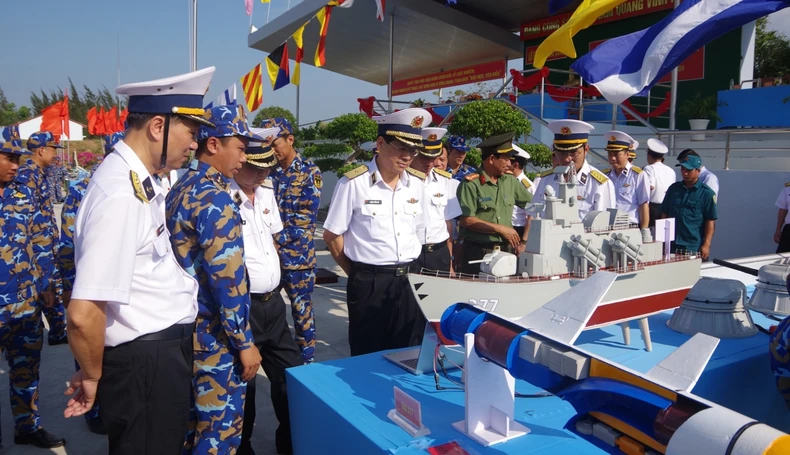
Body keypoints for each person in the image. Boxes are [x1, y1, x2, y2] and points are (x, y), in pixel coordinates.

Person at [64, 67, 215, 454]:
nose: (194, 145)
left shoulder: (137, 181)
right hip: (145, 363)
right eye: (191, 133)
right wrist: (93, 375)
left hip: (155, 357)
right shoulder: (120, 193)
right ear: (157, 126)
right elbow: (84, 312)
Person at [166, 103, 262, 454]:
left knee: (193, 426)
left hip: (184, 328)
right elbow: (228, 280)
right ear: (213, 145)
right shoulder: (215, 198)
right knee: (219, 433)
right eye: (240, 147)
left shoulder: (181, 188)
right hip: (215, 335)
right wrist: (244, 342)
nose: (244, 157)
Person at [322, 108, 431, 356]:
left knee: (410, 352)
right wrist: (359, 274)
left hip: (409, 281)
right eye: (401, 148)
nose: (407, 157)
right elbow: (331, 236)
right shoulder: (353, 183)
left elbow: (419, 232)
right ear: (380, 144)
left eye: (413, 151)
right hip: (370, 281)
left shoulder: (417, 184)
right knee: (368, 352)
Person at [234, 127, 302, 455]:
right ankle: (243, 446)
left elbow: (273, 238)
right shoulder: (221, 198)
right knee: (242, 385)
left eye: (266, 168)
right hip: (241, 308)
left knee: (291, 377)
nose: (261, 174)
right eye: (254, 167)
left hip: (273, 305)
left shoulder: (266, 192)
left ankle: (289, 442)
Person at [58, 131, 124, 436]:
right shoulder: (85, 189)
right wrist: (70, 287)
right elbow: (69, 244)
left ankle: (103, 406)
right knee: (88, 348)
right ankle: (94, 409)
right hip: (89, 283)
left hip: (115, 284)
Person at [0, 141, 65, 449]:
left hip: (25, 303)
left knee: (27, 371)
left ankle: (27, 426)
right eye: (8, 159)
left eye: (17, 158)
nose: (15, 165)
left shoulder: (22, 195)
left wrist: (48, 286)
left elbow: (39, 241)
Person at [265, 117, 322, 364]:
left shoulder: (310, 171)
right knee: (267, 312)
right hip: (270, 259)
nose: (272, 150)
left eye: (275, 143)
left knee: (302, 314)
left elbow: (306, 218)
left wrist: (276, 240)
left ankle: (307, 363)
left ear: (290, 139)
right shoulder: (267, 172)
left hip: (298, 260)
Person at [456, 131, 533, 275]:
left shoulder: (510, 181)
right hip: (478, 251)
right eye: (506, 159)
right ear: (492, 159)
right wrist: (501, 229)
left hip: (506, 250)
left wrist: (524, 241)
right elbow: (466, 220)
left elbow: (532, 206)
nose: (510, 164)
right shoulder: (471, 184)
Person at [19, 131, 67, 346]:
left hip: (47, 246)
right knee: (44, 289)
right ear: (41, 150)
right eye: (53, 150)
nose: (56, 155)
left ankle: (57, 332)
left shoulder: (41, 174)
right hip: (36, 251)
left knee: (52, 288)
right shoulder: (26, 178)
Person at [531, 120, 615, 221]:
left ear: (586, 150)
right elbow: (534, 215)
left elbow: (604, 225)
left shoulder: (599, 184)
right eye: (561, 153)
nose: (567, 159)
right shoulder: (545, 180)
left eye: (573, 153)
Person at [410, 127, 461, 274]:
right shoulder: (401, 181)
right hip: (412, 253)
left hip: (439, 253)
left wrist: (450, 262)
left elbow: (448, 224)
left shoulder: (445, 182)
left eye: (433, 158)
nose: (429, 163)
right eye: (424, 157)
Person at [660, 154, 717, 260]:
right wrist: (662, 240)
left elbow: (710, 221)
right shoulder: (673, 189)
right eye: (683, 169)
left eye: (689, 170)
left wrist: (706, 244)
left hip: (692, 246)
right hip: (671, 245)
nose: (685, 173)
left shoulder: (707, 194)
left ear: (698, 171)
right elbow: (665, 214)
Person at [601, 131, 650, 237]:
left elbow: (644, 205)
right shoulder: (605, 176)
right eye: (610, 154)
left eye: (616, 154)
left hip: (630, 227)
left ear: (627, 154)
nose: (612, 158)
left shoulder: (638, 175)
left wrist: (644, 231)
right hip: (609, 226)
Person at [642, 138, 676, 228]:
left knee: (649, 237)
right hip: (668, 208)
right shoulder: (671, 171)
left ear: (649, 155)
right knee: (664, 238)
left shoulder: (649, 168)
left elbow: (650, 186)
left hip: (652, 208)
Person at [508, 144, 535, 241]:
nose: (506, 164)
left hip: (518, 229)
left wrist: (524, 241)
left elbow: (531, 216)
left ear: (515, 165)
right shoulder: (507, 181)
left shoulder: (527, 186)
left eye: (508, 162)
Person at [773, 181, 790, 253]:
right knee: (782, 257)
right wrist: (778, 229)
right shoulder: (788, 188)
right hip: (789, 230)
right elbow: (783, 209)